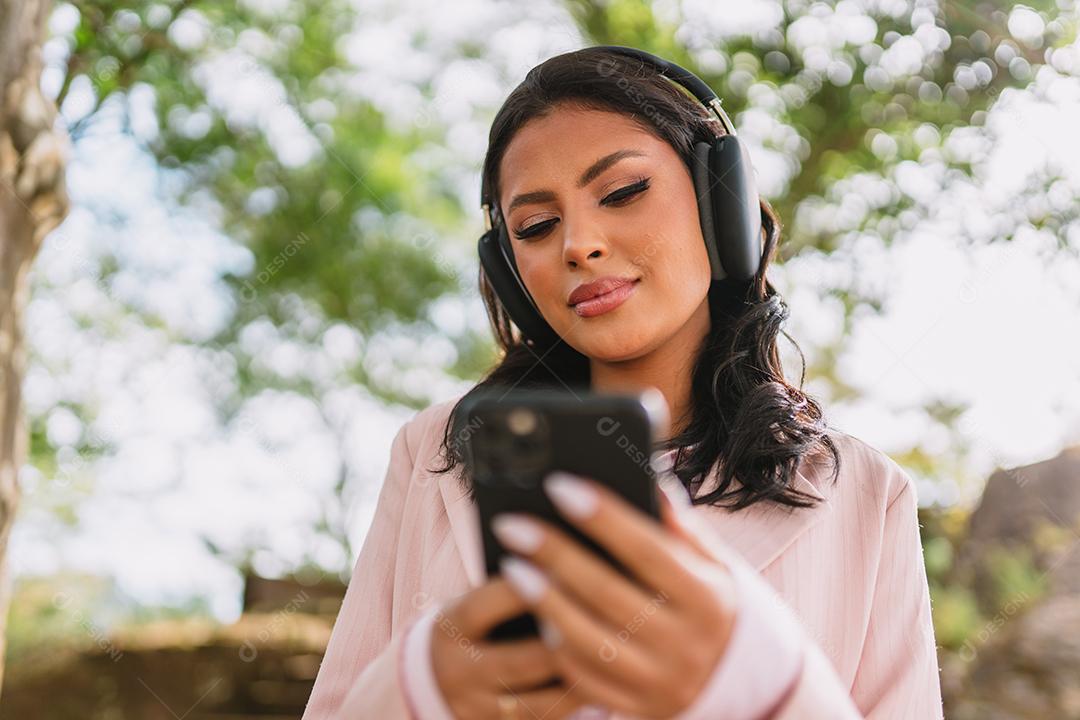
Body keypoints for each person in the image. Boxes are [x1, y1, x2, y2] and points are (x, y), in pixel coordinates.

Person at [301, 46, 945, 719]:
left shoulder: (867, 495)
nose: (579, 243)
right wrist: (416, 685)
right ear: (512, 273)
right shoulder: (433, 451)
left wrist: (766, 683)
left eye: (623, 191)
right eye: (537, 226)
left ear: (719, 201)